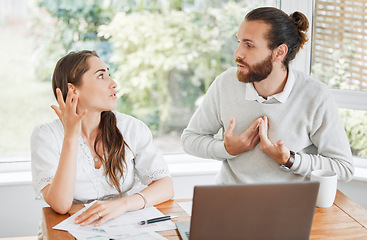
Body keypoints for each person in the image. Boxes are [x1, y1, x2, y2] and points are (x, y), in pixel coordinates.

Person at [181, 7, 354, 184]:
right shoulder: (226, 83)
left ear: (279, 52)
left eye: (249, 45)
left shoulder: (315, 96)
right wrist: (227, 149)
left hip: (289, 204)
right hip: (230, 199)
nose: (238, 53)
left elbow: (343, 167)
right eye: (239, 42)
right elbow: (190, 139)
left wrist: (290, 160)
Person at [31, 50, 174, 229]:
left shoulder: (131, 128)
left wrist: (122, 205)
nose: (113, 84)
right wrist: (70, 137)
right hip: (71, 231)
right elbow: (60, 205)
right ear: (73, 89)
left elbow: (165, 186)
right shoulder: (46, 135)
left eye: (109, 75)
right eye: (101, 76)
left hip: (123, 228)